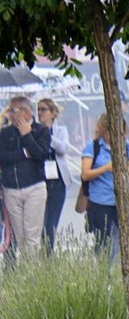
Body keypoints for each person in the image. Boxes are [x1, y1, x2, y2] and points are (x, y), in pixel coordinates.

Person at [0, 96, 51, 260]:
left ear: (25, 112)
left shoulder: (40, 130)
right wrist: (23, 153)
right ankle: (26, 272)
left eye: (13, 111)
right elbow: (3, 157)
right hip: (11, 189)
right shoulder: (6, 133)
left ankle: (33, 276)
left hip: (33, 187)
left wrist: (27, 136)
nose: (10, 114)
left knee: (32, 235)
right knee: (20, 237)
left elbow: (41, 154)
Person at [79, 112, 129, 256]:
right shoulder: (93, 147)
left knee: (119, 240)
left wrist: (128, 171)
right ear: (104, 130)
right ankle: (103, 270)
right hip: (100, 201)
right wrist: (106, 168)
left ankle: (115, 270)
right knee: (103, 241)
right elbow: (85, 174)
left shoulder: (126, 146)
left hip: (120, 201)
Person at [36, 98, 75, 254]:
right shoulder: (34, 130)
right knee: (39, 221)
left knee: (51, 222)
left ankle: (48, 254)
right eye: (38, 109)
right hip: (41, 179)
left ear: (53, 114)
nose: (40, 113)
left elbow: (63, 148)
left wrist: (47, 136)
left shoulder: (60, 130)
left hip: (58, 180)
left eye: (44, 109)